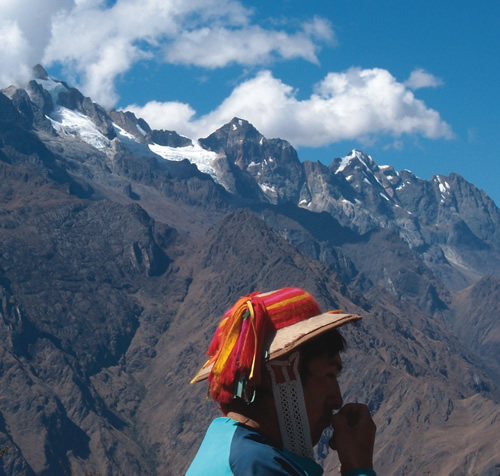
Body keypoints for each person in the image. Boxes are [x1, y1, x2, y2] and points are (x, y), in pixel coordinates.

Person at [186, 287, 376, 476]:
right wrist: (359, 467)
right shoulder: (257, 466)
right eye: (329, 375)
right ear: (281, 374)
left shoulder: (229, 449)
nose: (337, 400)